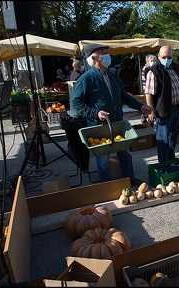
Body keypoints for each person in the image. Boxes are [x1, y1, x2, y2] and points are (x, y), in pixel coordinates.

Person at [71, 43, 153, 186]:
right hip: (99, 124)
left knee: (124, 152)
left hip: (117, 121)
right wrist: (95, 113)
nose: (108, 56)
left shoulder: (113, 76)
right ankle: (106, 185)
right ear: (95, 58)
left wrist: (140, 107)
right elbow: (76, 103)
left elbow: (124, 96)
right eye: (104, 53)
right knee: (103, 157)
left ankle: (129, 178)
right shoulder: (86, 79)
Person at [145, 46, 179, 163]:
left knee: (173, 137)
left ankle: (171, 160)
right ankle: (163, 164)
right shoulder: (154, 71)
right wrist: (151, 110)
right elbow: (149, 93)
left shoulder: (174, 68)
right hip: (163, 110)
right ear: (158, 56)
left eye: (169, 57)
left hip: (175, 108)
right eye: (164, 57)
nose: (166, 59)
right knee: (163, 139)